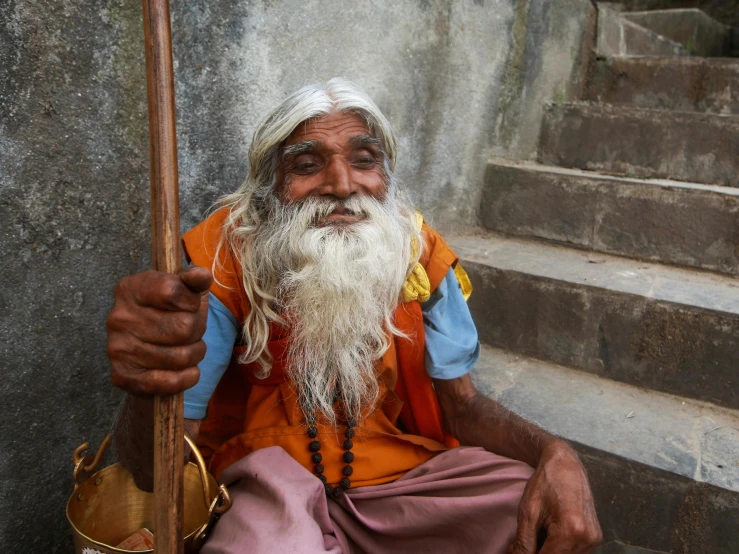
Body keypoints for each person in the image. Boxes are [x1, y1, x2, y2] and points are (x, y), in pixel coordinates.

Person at [108, 78, 602, 554]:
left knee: (526, 504)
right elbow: (160, 467)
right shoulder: (221, 258)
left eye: (364, 160)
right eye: (307, 164)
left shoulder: (417, 254)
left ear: (386, 178)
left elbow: (463, 407)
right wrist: (147, 384)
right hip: (265, 482)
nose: (343, 185)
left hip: (394, 476)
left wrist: (553, 452)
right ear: (268, 188)